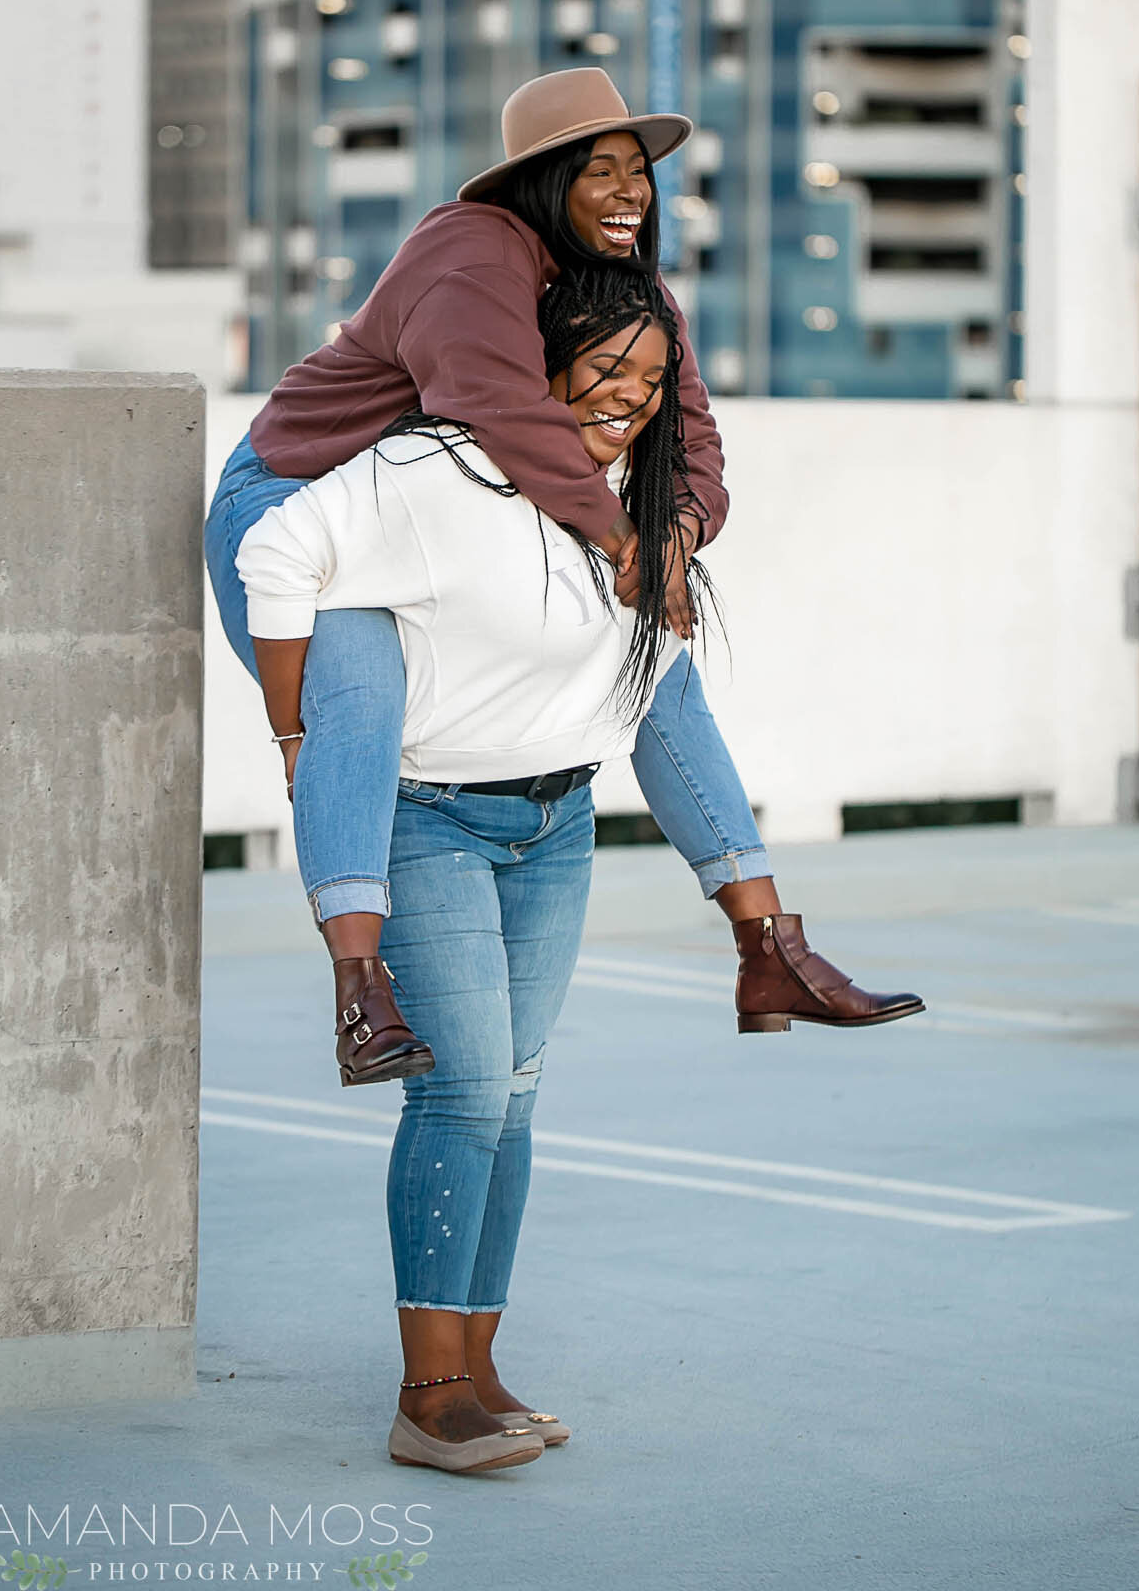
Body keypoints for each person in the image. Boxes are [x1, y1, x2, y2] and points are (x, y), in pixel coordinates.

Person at [206, 67, 921, 1079]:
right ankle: (359, 991)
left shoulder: (619, 283)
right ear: (544, 181)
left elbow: (697, 441)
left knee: (656, 667)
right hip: (295, 495)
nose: (633, 191)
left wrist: (672, 536)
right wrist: (630, 549)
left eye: (642, 171)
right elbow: (512, 418)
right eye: (603, 170)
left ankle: (770, 947)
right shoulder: (469, 255)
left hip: (455, 504)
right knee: (360, 690)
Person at [233, 269, 779, 1471]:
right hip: (429, 816)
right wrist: (296, 725)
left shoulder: (638, 494)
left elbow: (655, 670)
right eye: (604, 371)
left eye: (650, 381)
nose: (628, 401)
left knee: (516, 1093)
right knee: (466, 1090)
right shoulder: (435, 471)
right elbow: (276, 549)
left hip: (557, 824)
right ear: (535, 365)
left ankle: (478, 1371)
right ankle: (427, 1396)